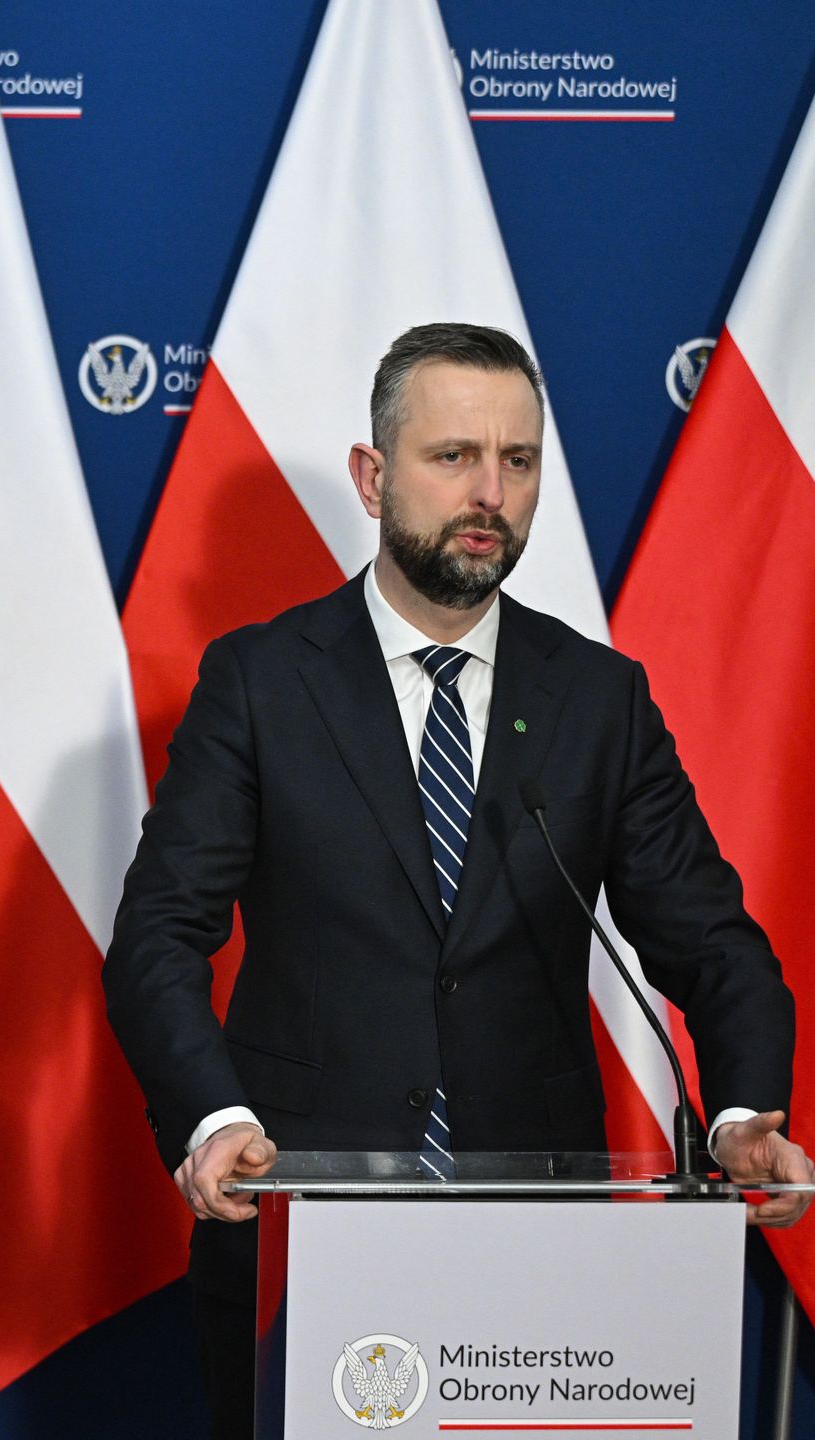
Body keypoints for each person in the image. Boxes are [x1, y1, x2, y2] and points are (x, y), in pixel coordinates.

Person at [101, 323, 810, 1438]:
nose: (490, 492)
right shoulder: (261, 683)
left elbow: (711, 940)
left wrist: (736, 1114)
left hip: (537, 1245)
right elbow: (155, 936)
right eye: (453, 458)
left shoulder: (598, 700)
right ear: (373, 478)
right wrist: (210, 1117)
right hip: (301, 1216)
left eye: (517, 462)